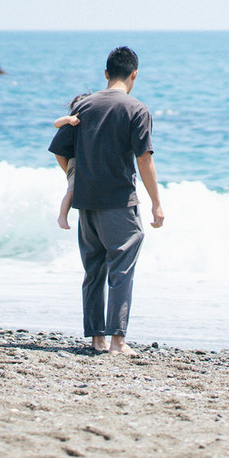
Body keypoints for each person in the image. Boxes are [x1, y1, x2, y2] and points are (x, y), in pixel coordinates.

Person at [49, 46, 164, 356]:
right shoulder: (137, 109)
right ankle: (118, 342)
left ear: (106, 73)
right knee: (121, 269)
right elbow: (144, 160)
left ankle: (96, 339)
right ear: (134, 75)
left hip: (86, 201)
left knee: (94, 270)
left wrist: (76, 178)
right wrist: (156, 202)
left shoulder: (84, 106)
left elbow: (61, 150)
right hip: (119, 202)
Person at [53, 92, 92, 230]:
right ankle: (62, 216)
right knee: (72, 190)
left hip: (85, 163)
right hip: (75, 163)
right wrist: (68, 120)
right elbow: (56, 123)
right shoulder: (70, 121)